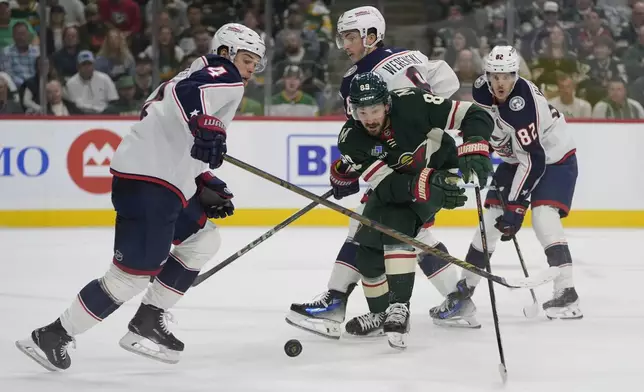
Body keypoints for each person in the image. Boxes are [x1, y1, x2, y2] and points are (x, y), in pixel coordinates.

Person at [15, 23, 266, 371]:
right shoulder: (224, 74)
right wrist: (202, 123)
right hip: (152, 184)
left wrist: (201, 177)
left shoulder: (187, 74)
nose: (252, 67)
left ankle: (149, 318)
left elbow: (161, 120)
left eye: (256, 61)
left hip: (158, 180)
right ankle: (53, 335)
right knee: (128, 277)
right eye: (247, 58)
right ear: (225, 51)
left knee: (203, 239)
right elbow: (189, 103)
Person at [286, 6, 493, 338]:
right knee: (406, 230)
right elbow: (447, 81)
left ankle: (337, 301)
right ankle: (457, 299)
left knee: (372, 223)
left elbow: (365, 133)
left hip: (406, 163)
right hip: (432, 150)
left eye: (351, 37)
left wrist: (352, 166)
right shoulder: (410, 54)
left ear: (371, 36)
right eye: (342, 38)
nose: (346, 45)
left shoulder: (356, 80)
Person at [332, 72, 494, 348]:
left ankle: (399, 307)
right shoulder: (351, 137)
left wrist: (475, 146)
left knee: (397, 223)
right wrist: (420, 182)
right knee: (368, 241)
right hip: (403, 184)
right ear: (352, 110)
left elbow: (474, 113)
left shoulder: (412, 103)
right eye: (362, 111)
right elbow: (385, 184)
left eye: (374, 109)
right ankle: (380, 312)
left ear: (387, 104)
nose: (369, 118)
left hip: (440, 172)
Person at [430, 45, 582, 325]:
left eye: (507, 76)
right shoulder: (481, 90)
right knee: (489, 220)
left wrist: (516, 207)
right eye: (494, 76)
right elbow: (484, 124)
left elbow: (533, 161)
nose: (500, 83)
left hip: (554, 158)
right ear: (487, 75)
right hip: (516, 158)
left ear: (516, 75)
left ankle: (567, 291)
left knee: (543, 216)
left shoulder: (523, 107)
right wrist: (477, 146)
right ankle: (464, 293)